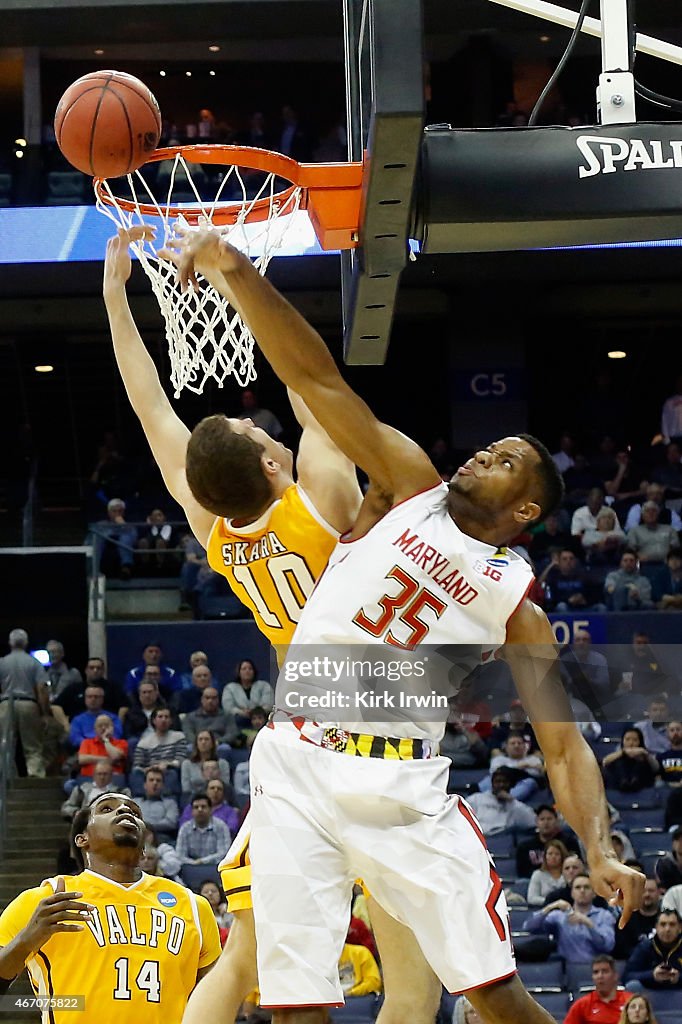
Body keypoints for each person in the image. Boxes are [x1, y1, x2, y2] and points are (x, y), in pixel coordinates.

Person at [163, 225, 644, 1023]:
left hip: (400, 784)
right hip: (297, 758)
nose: (479, 456)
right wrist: (235, 273)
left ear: (524, 509)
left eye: (503, 462)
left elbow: (562, 742)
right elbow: (317, 381)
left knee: (492, 989)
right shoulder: (411, 482)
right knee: (295, 1002)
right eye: (487, 446)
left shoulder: (516, 605)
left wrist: (598, 847)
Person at [0, 791, 221, 1022]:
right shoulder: (46, 899)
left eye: (135, 812)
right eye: (106, 809)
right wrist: (26, 941)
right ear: (82, 838)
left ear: (145, 843)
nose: (125, 811)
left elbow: (217, 999)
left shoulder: (193, 906)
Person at [525, 874, 617, 962]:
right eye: (577, 887)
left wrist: (588, 923)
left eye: (586, 887)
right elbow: (529, 927)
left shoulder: (605, 916)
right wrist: (549, 907)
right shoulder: (559, 916)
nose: (582, 891)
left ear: (594, 893)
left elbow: (607, 946)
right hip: (567, 969)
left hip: (596, 969)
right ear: (572, 893)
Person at [0, 627, 49, 778]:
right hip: (29, 703)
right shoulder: (34, 663)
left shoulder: (2, 662)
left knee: (5, 743)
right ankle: (35, 775)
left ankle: (7, 775)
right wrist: (45, 712)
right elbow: (41, 689)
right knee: (33, 745)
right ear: (26, 643)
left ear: (10, 643)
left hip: (6, 703)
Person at [466, 767, 537, 836]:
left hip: (503, 839)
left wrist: (511, 801)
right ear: (492, 783)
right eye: (498, 781)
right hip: (478, 838)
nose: (501, 785)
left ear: (511, 785)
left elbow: (533, 821)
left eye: (505, 782)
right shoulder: (476, 799)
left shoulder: (514, 805)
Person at [623, 908, 682, 990]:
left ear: (680, 928)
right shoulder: (645, 947)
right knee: (633, 985)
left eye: (672, 924)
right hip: (649, 996)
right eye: (663, 924)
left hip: (679, 994)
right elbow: (627, 976)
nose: (667, 929)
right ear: (656, 927)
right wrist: (652, 975)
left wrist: (679, 978)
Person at [516, 805, 580, 878]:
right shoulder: (525, 847)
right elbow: (522, 873)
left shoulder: (570, 843)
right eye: (542, 819)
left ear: (557, 821)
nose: (546, 822)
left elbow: (576, 867)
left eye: (549, 819)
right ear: (536, 822)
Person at [563, 955, 631, 1024]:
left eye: (605, 971)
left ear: (615, 976)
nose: (600, 976)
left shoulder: (629, 1001)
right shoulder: (582, 1005)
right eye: (596, 972)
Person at [60, 760, 130, 821]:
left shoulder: (121, 792)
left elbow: (128, 809)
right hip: (86, 823)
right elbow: (66, 807)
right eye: (99, 774)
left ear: (111, 775)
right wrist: (76, 812)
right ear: (94, 775)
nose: (102, 777)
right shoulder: (81, 790)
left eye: (105, 774)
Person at [614, 878, 661, 960]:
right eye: (643, 891)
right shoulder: (626, 918)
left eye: (651, 891)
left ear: (659, 893)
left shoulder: (666, 918)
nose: (647, 894)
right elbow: (621, 948)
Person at [602, 728, 660, 793]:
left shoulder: (644, 754)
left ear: (640, 741)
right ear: (623, 741)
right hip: (619, 784)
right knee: (619, 763)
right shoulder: (618, 754)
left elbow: (656, 768)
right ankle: (624, 781)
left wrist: (644, 753)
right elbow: (605, 762)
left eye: (635, 740)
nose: (631, 743)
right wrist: (623, 752)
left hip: (641, 783)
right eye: (627, 739)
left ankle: (634, 781)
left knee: (641, 763)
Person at [221, 660, 274, 729]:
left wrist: (255, 712)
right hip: (238, 722)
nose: (247, 671)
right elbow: (228, 707)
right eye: (244, 669)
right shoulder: (230, 688)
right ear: (239, 672)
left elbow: (268, 704)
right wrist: (241, 712)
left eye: (250, 669)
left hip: (261, 720)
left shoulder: (264, 685)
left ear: (254, 671)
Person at [181, 730, 232, 799]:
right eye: (200, 739)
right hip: (194, 798)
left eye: (206, 739)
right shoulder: (187, 764)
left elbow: (225, 786)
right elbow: (186, 789)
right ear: (196, 743)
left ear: (212, 743)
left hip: (218, 798)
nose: (203, 742)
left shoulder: (223, 763)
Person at [136, 765, 180, 843]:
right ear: (145, 785)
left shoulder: (170, 803)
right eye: (151, 780)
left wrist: (146, 824)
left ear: (163, 785)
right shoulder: (135, 802)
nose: (155, 783)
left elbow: (171, 823)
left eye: (158, 780)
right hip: (137, 838)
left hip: (161, 840)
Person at [527, 839, 569, 907]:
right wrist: (553, 902)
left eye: (557, 854)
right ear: (545, 856)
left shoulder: (569, 873)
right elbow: (532, 898)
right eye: (550, 854)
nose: (553, 857)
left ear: (562, 856)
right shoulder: (537, 874)